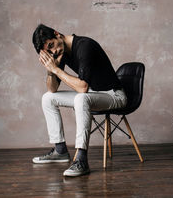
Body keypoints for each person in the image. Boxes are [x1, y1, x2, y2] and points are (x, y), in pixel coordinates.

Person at [31, 24, 127, 177]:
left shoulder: (84, 46)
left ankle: (81, 160)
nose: (54, 52)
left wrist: (57, 70)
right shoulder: (61, 52)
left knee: (81, 98)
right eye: (49, 51)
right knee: (47, 98)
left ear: (57, 34)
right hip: (93, 93)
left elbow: (82, 88)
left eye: (52, 45)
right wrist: (50, 70)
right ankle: (60, 150)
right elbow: (52, 89)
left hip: (114, 95)